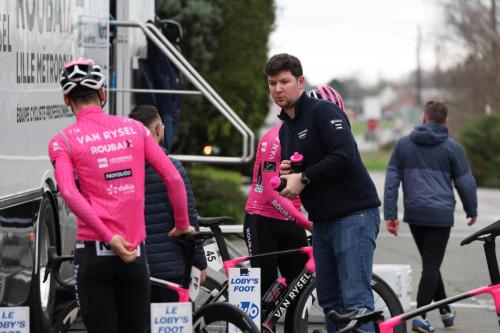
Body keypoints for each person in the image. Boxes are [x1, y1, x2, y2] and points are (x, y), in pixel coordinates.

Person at [48, 58, 193, 333]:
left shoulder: (62, 141)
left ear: (67, 100)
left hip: (93, 254)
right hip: (135, 255)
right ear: (103, 93)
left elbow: (68, 191)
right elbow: (173, 177)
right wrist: (182, 224)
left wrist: (107, 237)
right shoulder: (137, 129)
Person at [264, 53, 381, 333]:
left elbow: (345, 156)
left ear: (300, 82)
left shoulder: (323, 112)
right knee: (330, 304)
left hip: (354, 215)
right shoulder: (286, 129)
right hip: (323, 222)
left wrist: (303, 177)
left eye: (285, 81)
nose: (278, 89)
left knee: (355, 304)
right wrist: (289, 174)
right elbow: (314, 164)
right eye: (272, 83)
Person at [384, 100, 478, 333]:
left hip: (415, 215)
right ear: (445, 122)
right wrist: (471, 210)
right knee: (431, 265)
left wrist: (390, 214)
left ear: (424, 118)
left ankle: (446, 312)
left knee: (430, 264)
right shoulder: (452, 148)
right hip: (440, 215)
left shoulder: (403, 145)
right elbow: (465, 182)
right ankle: (419, 317)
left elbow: (391, 182)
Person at [128, 105, 207, 303]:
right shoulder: (173, 168)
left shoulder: (122, 171)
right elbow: (189, 220)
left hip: (132, 267)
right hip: (172, 271)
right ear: (158, 130)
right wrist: (200, 263)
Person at [244, 120, 312, 329]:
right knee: (264, 292)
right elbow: (270, 193)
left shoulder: (307, 138)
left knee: (299, 292)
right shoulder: (274, 138)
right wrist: (307, 223)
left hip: (291, 220)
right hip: (262, 219)